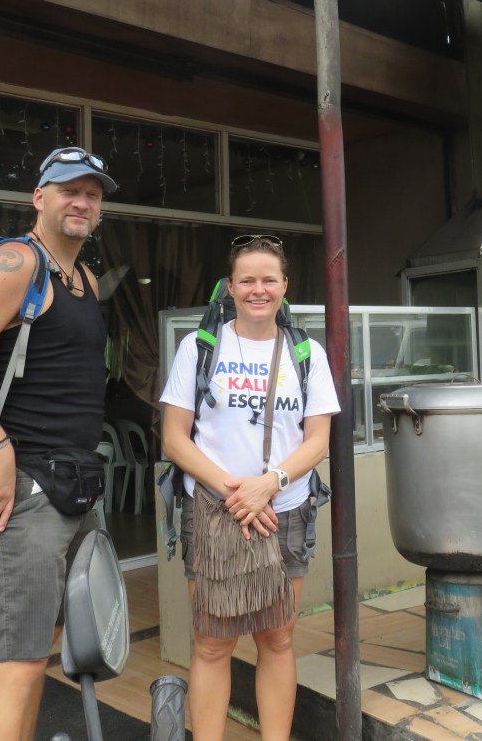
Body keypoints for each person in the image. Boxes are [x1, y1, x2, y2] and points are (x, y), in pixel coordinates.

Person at [0, 146, 117, 741]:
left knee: (40, 653)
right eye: (69, 190)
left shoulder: (83, 279)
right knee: (16, 664)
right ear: (40, 198)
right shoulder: (15, 262)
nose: (82, 201)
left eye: (92, 194)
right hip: (27, 490)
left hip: (74, 485)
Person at [160, 235, 339, 741]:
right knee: (212, 643)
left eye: (268, 280)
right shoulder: (199, 348)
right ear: (230, 286)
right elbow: (174, 438)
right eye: (247, 280)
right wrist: (237, 493)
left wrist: (269, 485)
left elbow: (317, 440)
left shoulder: (307, 353)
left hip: (285, 511)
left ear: (285, 285)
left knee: (277, 640)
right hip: (212, 512)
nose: (258, 290)